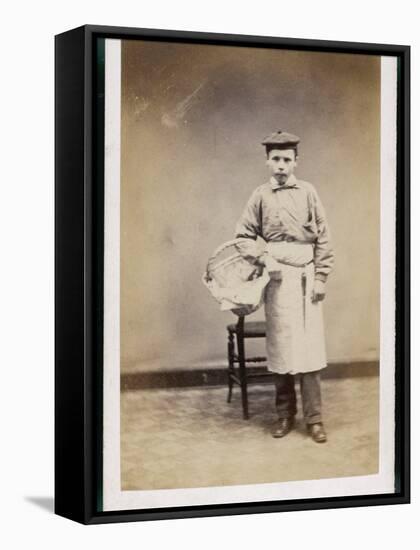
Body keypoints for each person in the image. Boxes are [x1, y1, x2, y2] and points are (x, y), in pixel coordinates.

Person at [234, 130, 334, 443]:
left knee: (309, 350)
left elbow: (324, 238)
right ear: (267, 161)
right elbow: (242, 238)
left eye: (286, 160)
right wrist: (264, 258)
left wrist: (320, 277)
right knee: (280, 349)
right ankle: (284, 415)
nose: (281, 165)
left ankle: (314, 419)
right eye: (275, 159)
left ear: (296, 162)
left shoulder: (308, 192)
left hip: (306, 281)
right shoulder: (259, 196)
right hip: (276, 281)